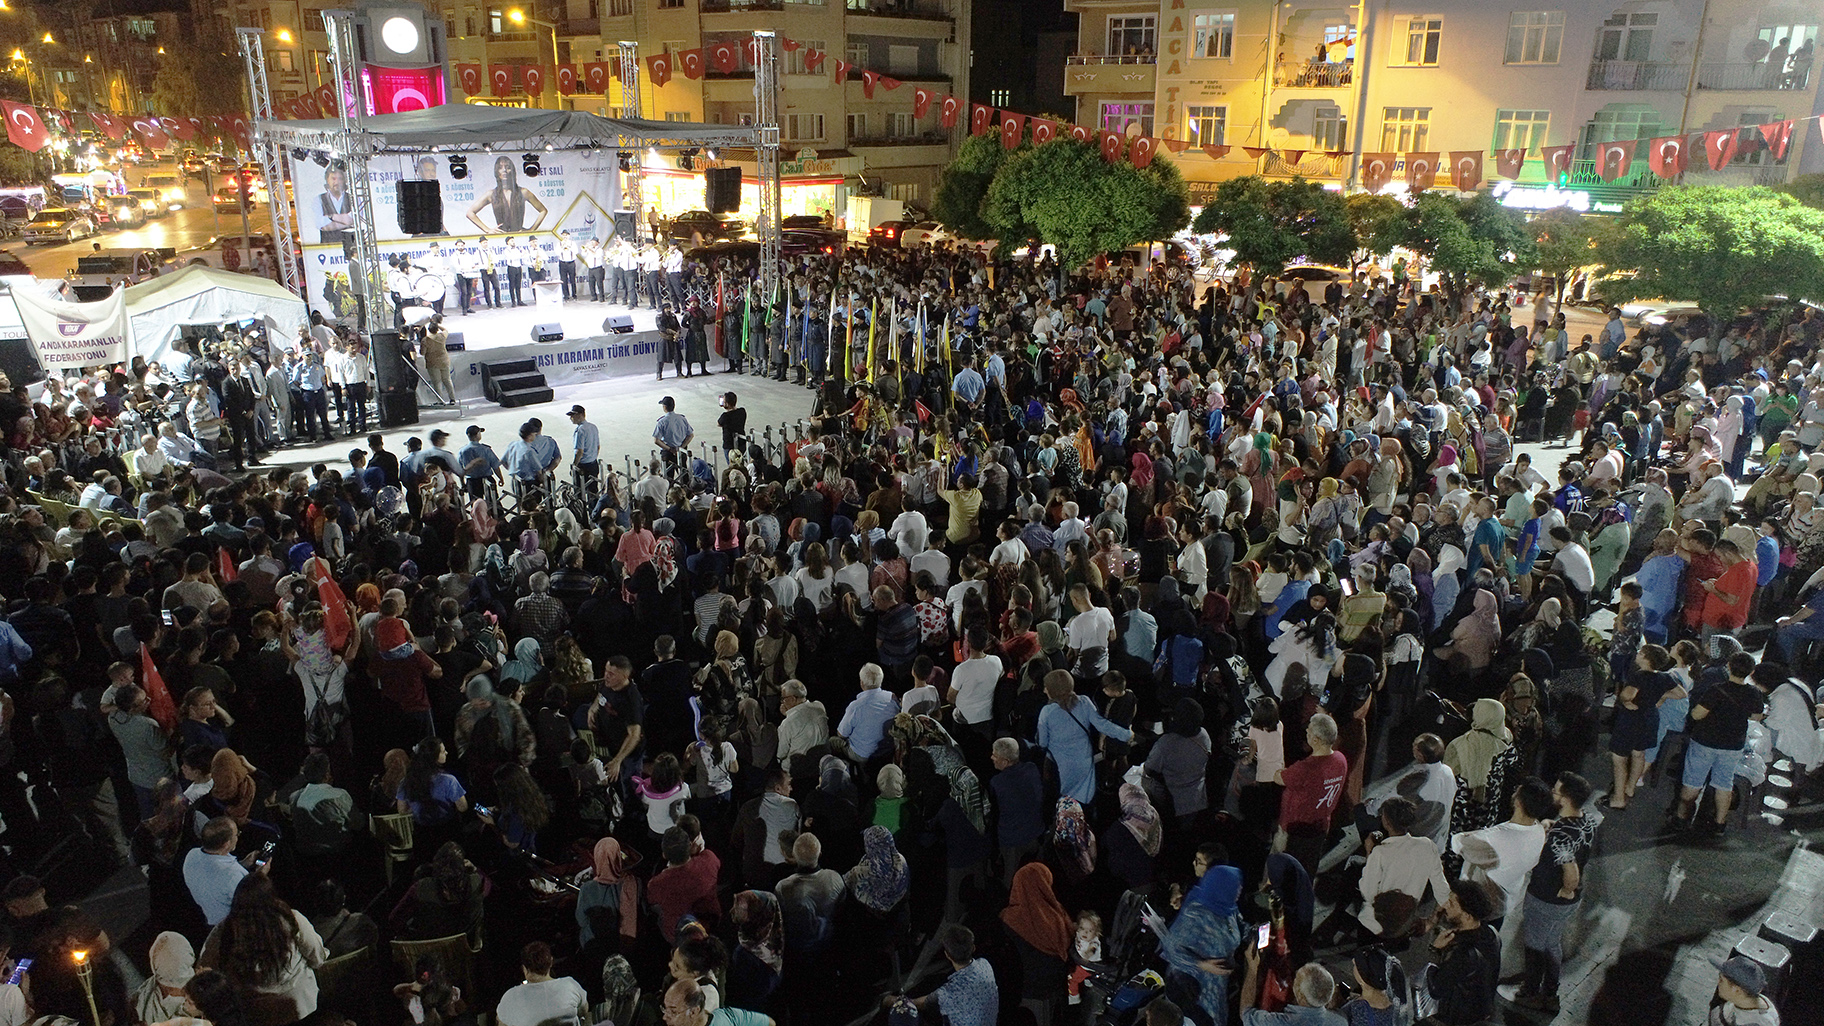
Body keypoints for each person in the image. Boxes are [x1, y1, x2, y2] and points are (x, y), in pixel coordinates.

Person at [1510, 772, 1601, 1014]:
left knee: (1535, 946)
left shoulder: (1561, 836)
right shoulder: (1587, 820)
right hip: (1566, 904)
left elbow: (1571, 871)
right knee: (1552, 943)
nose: (1552, 793)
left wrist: (1567, 888)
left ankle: (1531, 993)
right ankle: (1550, 993)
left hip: (1547, 899)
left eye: (1556, 791)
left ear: (1566, 799)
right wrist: (1552, 826)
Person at [1416, 880, 1501, 1026]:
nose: (1445, 905)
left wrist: (1435, 950)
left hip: (1455, 1019)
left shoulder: (1463, 953)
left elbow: (1435, 990)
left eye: (1452, 904)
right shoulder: (1492, 934)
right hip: (1480, 1012)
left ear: (1467, 916)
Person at [884, 924, 996, 1026]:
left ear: (947, 955)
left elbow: (913, 1004)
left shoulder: (947, 994)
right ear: (973, 948)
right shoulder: (985, 965)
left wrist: (887, 1000)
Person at [495, 942, 588, 1026]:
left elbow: (501, 1023)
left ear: (524, 969)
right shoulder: (570, 986)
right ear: (551, 962)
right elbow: (584, 1011)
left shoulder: (510, 997)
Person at [1710, 955, 1781, 1025]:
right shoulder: (1749, 1002)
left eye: (1721, 980)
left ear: (1737, 990)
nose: (1718, 983)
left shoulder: (1758, 1022)